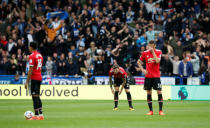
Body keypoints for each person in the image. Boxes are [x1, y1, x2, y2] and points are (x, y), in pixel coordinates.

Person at [137, 40, 165, 115]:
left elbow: (157, 61)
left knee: (159, 91)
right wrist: (143, 70)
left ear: (154, 46)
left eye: (151, 46)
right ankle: (151, 111)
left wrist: (153, 52)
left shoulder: (159, 52)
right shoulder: (145, 53)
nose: (150, 47)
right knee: (149, 92)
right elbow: (138, 62)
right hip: (148, 76)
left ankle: (160, 111)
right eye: (149, 45)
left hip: (156, 76)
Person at [24, 42, 44, 120]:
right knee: (37, 96)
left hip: (34, 78)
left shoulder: (32, 56)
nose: (29, 48)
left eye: (29, 46)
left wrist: (26, 81)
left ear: (31, 47)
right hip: (39, 77)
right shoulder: (40, 55)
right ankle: (41, 114)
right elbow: (40, 67)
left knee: (34, 97)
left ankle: (36, 115)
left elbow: (30, 70)